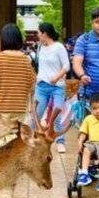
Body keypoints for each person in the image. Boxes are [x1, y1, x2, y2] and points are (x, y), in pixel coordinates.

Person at [0, 23, 36, 122]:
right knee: (18, 136)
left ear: (3, 40)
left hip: (0, 108)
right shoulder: (25, 59)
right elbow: (32, 82)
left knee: (2, 137)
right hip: (20, 109)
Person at [33, 22, 70, 154]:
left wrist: (56, 77)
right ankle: (31, 139)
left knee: (57, 114)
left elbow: (66, 66)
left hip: (57, 86)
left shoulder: (59, 47)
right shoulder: (40, 47)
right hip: (42, 86)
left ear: (45, 33)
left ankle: (60, 141)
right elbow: (40, 66)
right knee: (36, 113)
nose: (37, 35)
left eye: (38, 33)